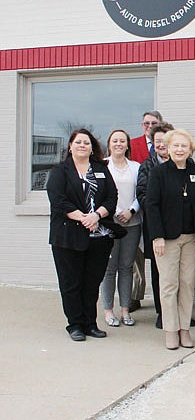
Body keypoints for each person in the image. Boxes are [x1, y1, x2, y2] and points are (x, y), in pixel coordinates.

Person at [47, 129, 120, 342]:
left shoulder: (100, 169)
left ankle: (90, 323)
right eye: (77, 142)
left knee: (91, 283)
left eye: (86, 143)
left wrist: (96, 216)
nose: (82, 145)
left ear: (92, 147)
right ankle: (75, 324)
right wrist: (83, 218)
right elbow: (58, 200)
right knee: (71, 283)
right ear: (70, 146)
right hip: (68, 237)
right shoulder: (61, 171)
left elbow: (112, 197)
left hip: (99, 237)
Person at [145, 129, 195, 350]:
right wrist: (157, 236)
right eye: (176, 146)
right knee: (169, 285)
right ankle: (171, 330)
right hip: (167, 239)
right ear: (168, 148)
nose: (180, 149)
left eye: (184, 146)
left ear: (190, 149)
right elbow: (151, 205)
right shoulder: (159, 173)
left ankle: (185, 328)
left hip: (192, 238)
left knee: (187, 284)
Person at [100, 130, 141, 328]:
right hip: (110, 223)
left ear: (127, 145)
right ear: (109, 144)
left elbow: (141, 193)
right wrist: (116, 211)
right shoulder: (103, 166)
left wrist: (131, 210)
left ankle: (125, 309)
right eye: (114, 141)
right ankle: (108, 310)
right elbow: (101, 193)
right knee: (109, 269)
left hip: (132, 223)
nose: (118, 144)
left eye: (122, 141)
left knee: (126, 267)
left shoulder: (136, 167)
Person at [136, 122, 174, 329]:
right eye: (158, 141)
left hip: (180, 228)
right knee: (160, 272)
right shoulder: (147, 166)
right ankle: (162, 312)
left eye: (165, 140)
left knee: (178, 272)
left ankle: (179, 311)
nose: (162, 145)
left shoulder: (186, 163)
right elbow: (142, 194)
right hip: (156, 226)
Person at [129, 110, 164, 312]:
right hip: (138, 209)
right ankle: (135, 295)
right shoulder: (133, 145)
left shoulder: (171, 147)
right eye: (146, 123)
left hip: (158, 216)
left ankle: (163, 305)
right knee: (137, 256)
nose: (149, 126)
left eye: (153, 123)